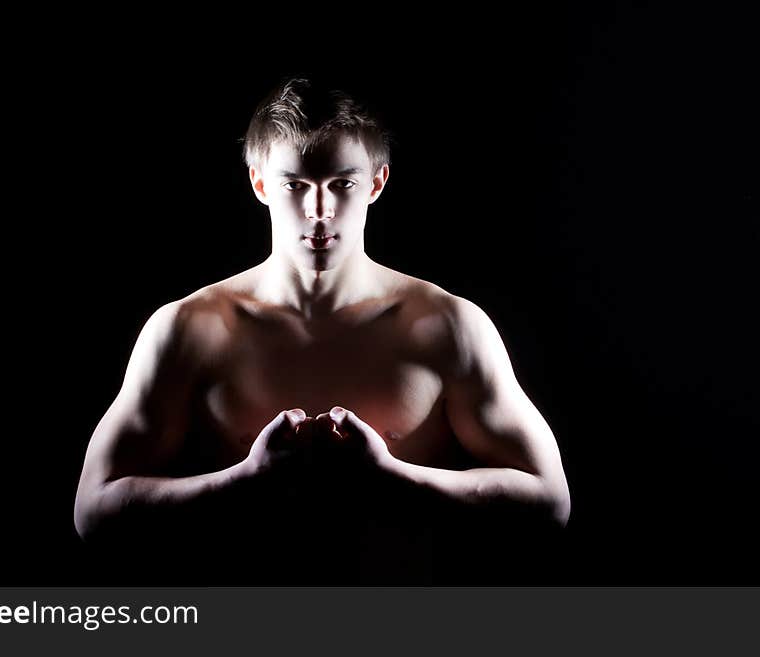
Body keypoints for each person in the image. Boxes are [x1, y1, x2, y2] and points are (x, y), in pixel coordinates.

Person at [74, 77, 571, 584]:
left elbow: (549, 500)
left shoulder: (447, 327)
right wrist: (244, 480)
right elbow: (93, 510)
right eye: (295, 185)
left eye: (342, 184)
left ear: (376, 183)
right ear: (260, 183)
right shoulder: (189, 330)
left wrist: (391, 478)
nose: (318, 212)